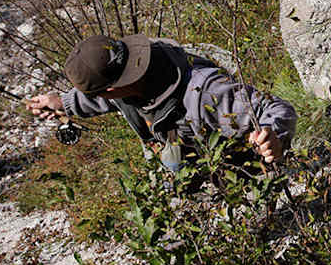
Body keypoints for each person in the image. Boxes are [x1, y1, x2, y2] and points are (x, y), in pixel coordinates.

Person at [26, 34, 295, 170]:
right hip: (187, 161)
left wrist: (274, 135)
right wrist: (61, 102)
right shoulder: (128, 74)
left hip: (237, 170)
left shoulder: (204, 92)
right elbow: (102, 100)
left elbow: (277, 109)